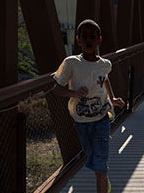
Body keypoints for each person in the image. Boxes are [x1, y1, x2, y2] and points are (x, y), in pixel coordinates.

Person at [53, 19, 126, 193]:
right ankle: (104, 180)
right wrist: (74, 93)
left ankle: (102, 183)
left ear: (99, 40)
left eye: (92, 37)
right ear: (78, 40)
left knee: (100, 163)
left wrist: (113, 98)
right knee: (92, 157)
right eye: (84, 37)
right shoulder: (71, 63)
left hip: (102, 119)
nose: (88, 40)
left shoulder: (105, 64)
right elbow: (56, 89)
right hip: (81, 121)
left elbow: (104, 79)